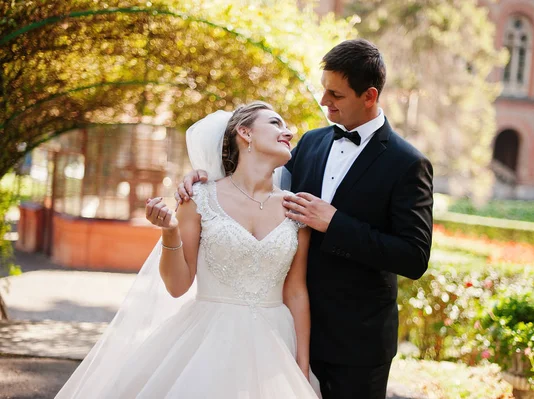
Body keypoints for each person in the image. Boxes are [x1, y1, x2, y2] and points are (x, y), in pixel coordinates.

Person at [176, 39, 434, 399]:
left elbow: (414, 256)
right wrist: (200, 175)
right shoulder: (311, 143)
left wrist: (335, 222)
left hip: (357, 342)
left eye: (335, 95)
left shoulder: (408, 164)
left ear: (370, 96)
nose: (324, 101)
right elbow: (254, 181)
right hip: (284, 328)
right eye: (324, 90)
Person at [55, 102, 322, 398]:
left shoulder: (296, 209)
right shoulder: (199, 197)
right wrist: (170, 232)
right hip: (207, 342)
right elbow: (178, 286)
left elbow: (296, 292)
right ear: (244, 132)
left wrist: (301, 363)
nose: (289, 131)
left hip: (276, 344)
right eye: (276, 123)